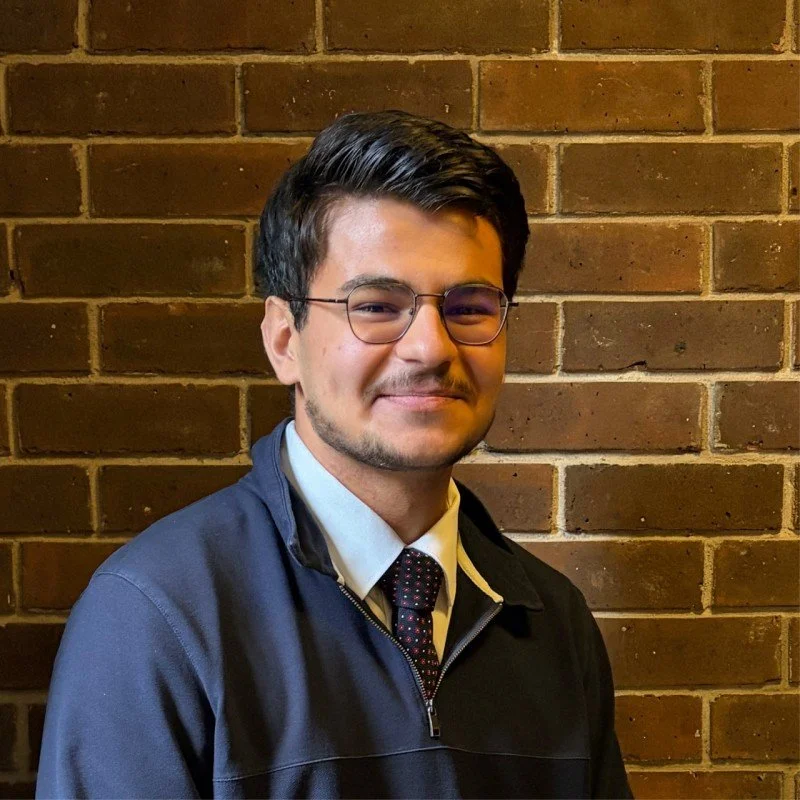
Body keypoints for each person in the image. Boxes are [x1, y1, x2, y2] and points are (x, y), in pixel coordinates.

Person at [36, 110, 632, 799]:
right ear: (283, 340)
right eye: (376, 305)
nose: (430, 347)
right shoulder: (158, 616)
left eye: (469, 307)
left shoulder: (552, 623)